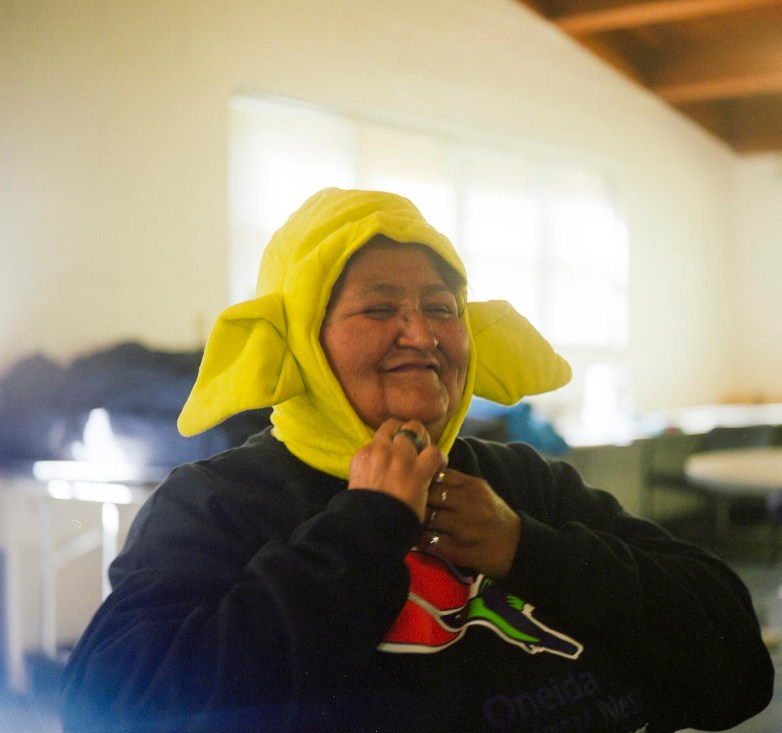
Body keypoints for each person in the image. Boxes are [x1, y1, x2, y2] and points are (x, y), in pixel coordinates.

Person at [61, 188, 773, 733]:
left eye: (442, 306)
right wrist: (365, 528)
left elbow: (738, 665)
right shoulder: (222, 501)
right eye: (379, 309)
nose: (422, 334)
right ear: (300, 338)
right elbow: (112, 707)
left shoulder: (520, 483)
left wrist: (528, 548)